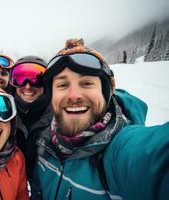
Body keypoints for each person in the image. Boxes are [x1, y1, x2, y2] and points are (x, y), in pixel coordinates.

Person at [33, 39, 169, 200]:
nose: (74, 95)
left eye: (86, 83)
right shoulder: (44, 143)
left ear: (106, 93)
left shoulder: (120, 153)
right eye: (62, 85)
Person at [9, 56, 53, 195]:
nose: (27, 85)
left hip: (46, 189)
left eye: (36, 80)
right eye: (19, 78)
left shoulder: (59, 116)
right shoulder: (4, 115)